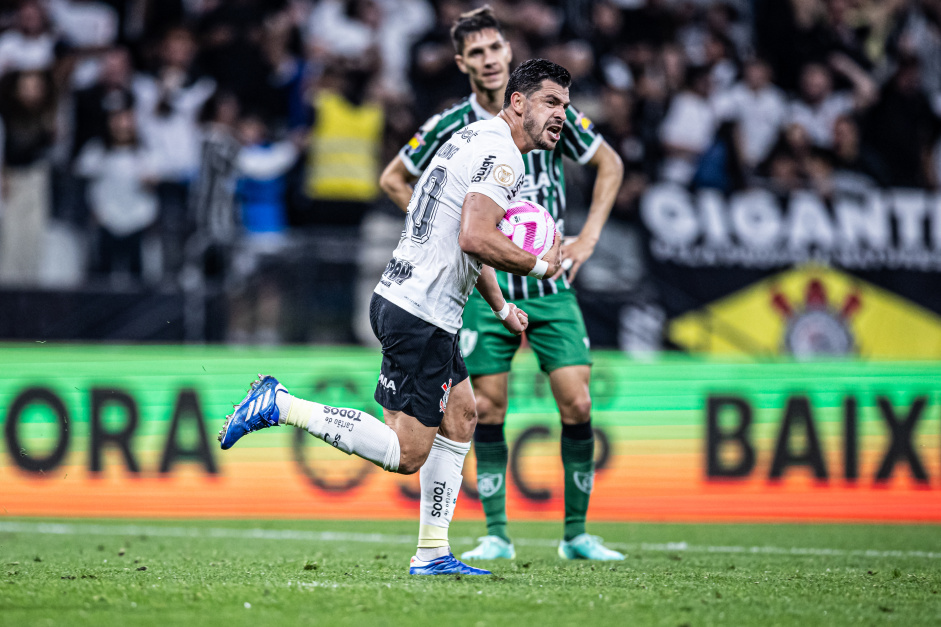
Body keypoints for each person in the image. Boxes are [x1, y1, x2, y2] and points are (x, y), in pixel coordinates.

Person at [218, 59, 568, 576]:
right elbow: (476, 236)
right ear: (518, 102)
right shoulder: (504, 157)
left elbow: (465, 239)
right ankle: (281, 405)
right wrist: (542, 265)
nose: (562, 114)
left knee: (463, 414)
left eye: (565, 103)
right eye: (551, 102)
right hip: (419, 310)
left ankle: (432, 553)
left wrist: (498, 305)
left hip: (419, 303)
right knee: (407, 453)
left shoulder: (471, 138)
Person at [379, 6, 625, 562]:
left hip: (549, 288)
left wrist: (585, 240)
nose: (490, 60)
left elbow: (610, 164)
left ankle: (577, 535)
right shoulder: (451, 125)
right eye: (479, 52)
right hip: (487, 283)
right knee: (482, 408)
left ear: (509, 57)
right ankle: (494, 532)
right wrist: (436, 224)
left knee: (578, 402)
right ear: (463, 62)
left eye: (497, 49)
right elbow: (395, 179)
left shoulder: (552, 113)